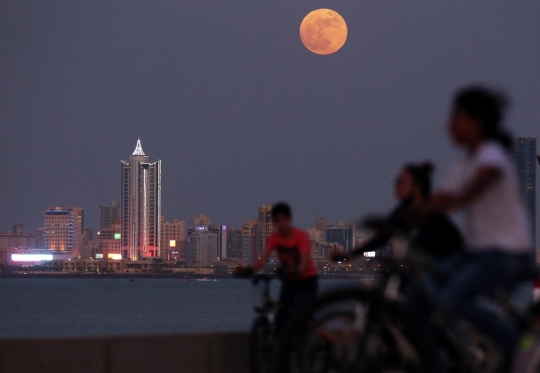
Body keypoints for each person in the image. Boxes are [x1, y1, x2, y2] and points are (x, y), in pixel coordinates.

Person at [428, 85, 536, 372]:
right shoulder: (462, 163)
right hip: (478, 252)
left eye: (455, 118)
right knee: (422, 286)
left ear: (475, 122)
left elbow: (483, 179)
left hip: (507, 253)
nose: (449, 126)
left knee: (453, 298)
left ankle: (518, 345)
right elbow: (440, 199)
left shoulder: (491, 154)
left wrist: (460, 200)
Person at [334, 161, 463, 261]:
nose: (396, 185)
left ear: (417, 188)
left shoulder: (431, 214)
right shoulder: (402, 212)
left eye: (401, 181)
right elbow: (381, 240)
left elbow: (424, 244)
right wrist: (350, 255)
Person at [234, 202, 318, 333]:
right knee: (281, 316)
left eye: (283, 220)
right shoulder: (274, 238)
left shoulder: (300, 236)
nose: (281, 224)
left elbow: (304, 260)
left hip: (307, 279)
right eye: (277, 221)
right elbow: (263, 258)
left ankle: (332, 342)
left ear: (290, 220)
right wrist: (248, 270)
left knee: (306, 318)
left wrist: (298, 270)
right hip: (290, 279)